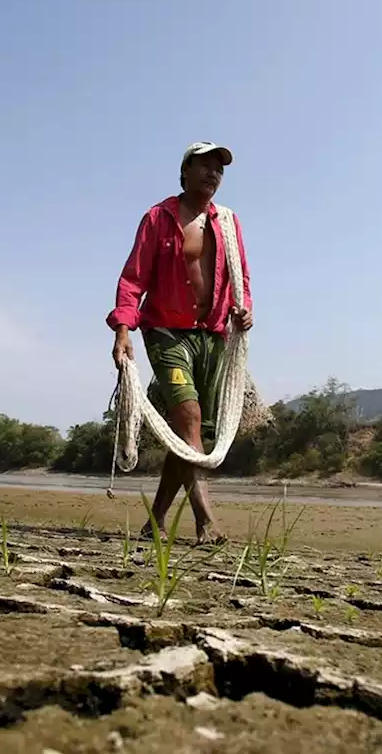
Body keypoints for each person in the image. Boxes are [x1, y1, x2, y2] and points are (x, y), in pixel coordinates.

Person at [107, 141, 253, 545]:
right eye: (204, 166)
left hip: (213, 335)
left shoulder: (228, 222)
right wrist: (123, 329)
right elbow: (133, 278)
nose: (213, 174)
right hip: (166, 332)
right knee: (188, 419)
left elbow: (241, 277)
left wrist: (245, 311)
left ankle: (154, 521)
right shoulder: (158, 218)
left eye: (218, 170)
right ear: (184, 172)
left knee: (190, 432)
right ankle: (206, 521)